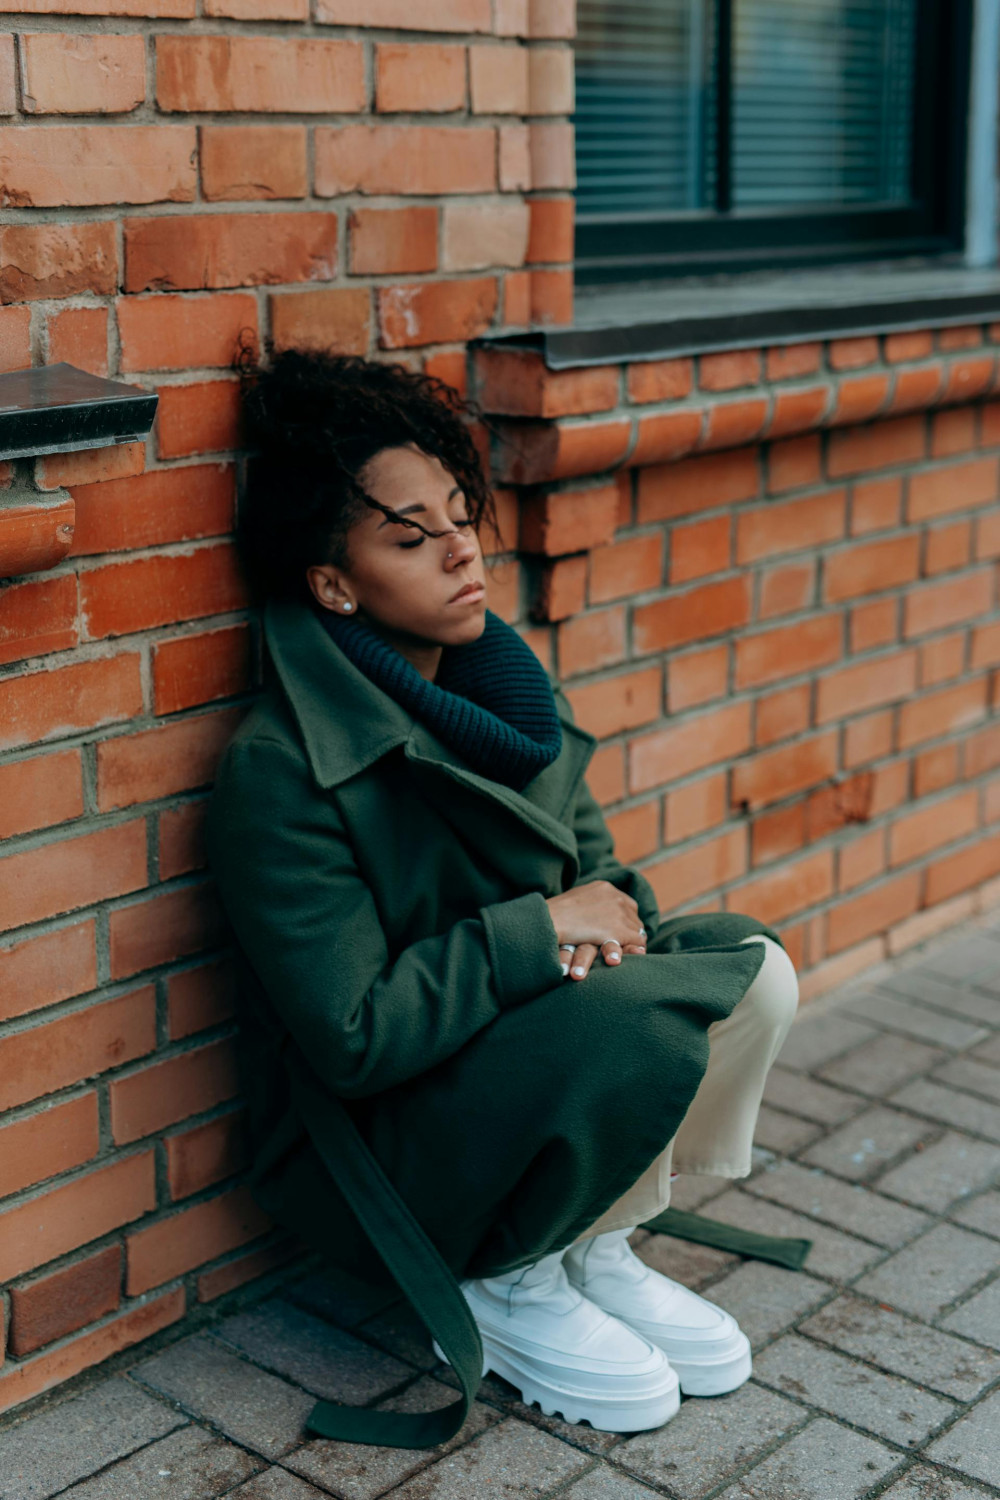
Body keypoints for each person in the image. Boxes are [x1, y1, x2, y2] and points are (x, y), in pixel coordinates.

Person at [206, 345, 800, 1447]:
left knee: (752, 970)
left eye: (458, 515)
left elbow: (600, 883)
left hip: (508, 1055)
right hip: (392, 1138)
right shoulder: (283, 770)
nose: (459, 549)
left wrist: (596, 925)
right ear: (334, 585)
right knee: (636, 1021)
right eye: (409, 537)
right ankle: (505, 1276)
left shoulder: (505, 699)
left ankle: (592, 1239)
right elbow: (352, 1037)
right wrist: (541, 933)